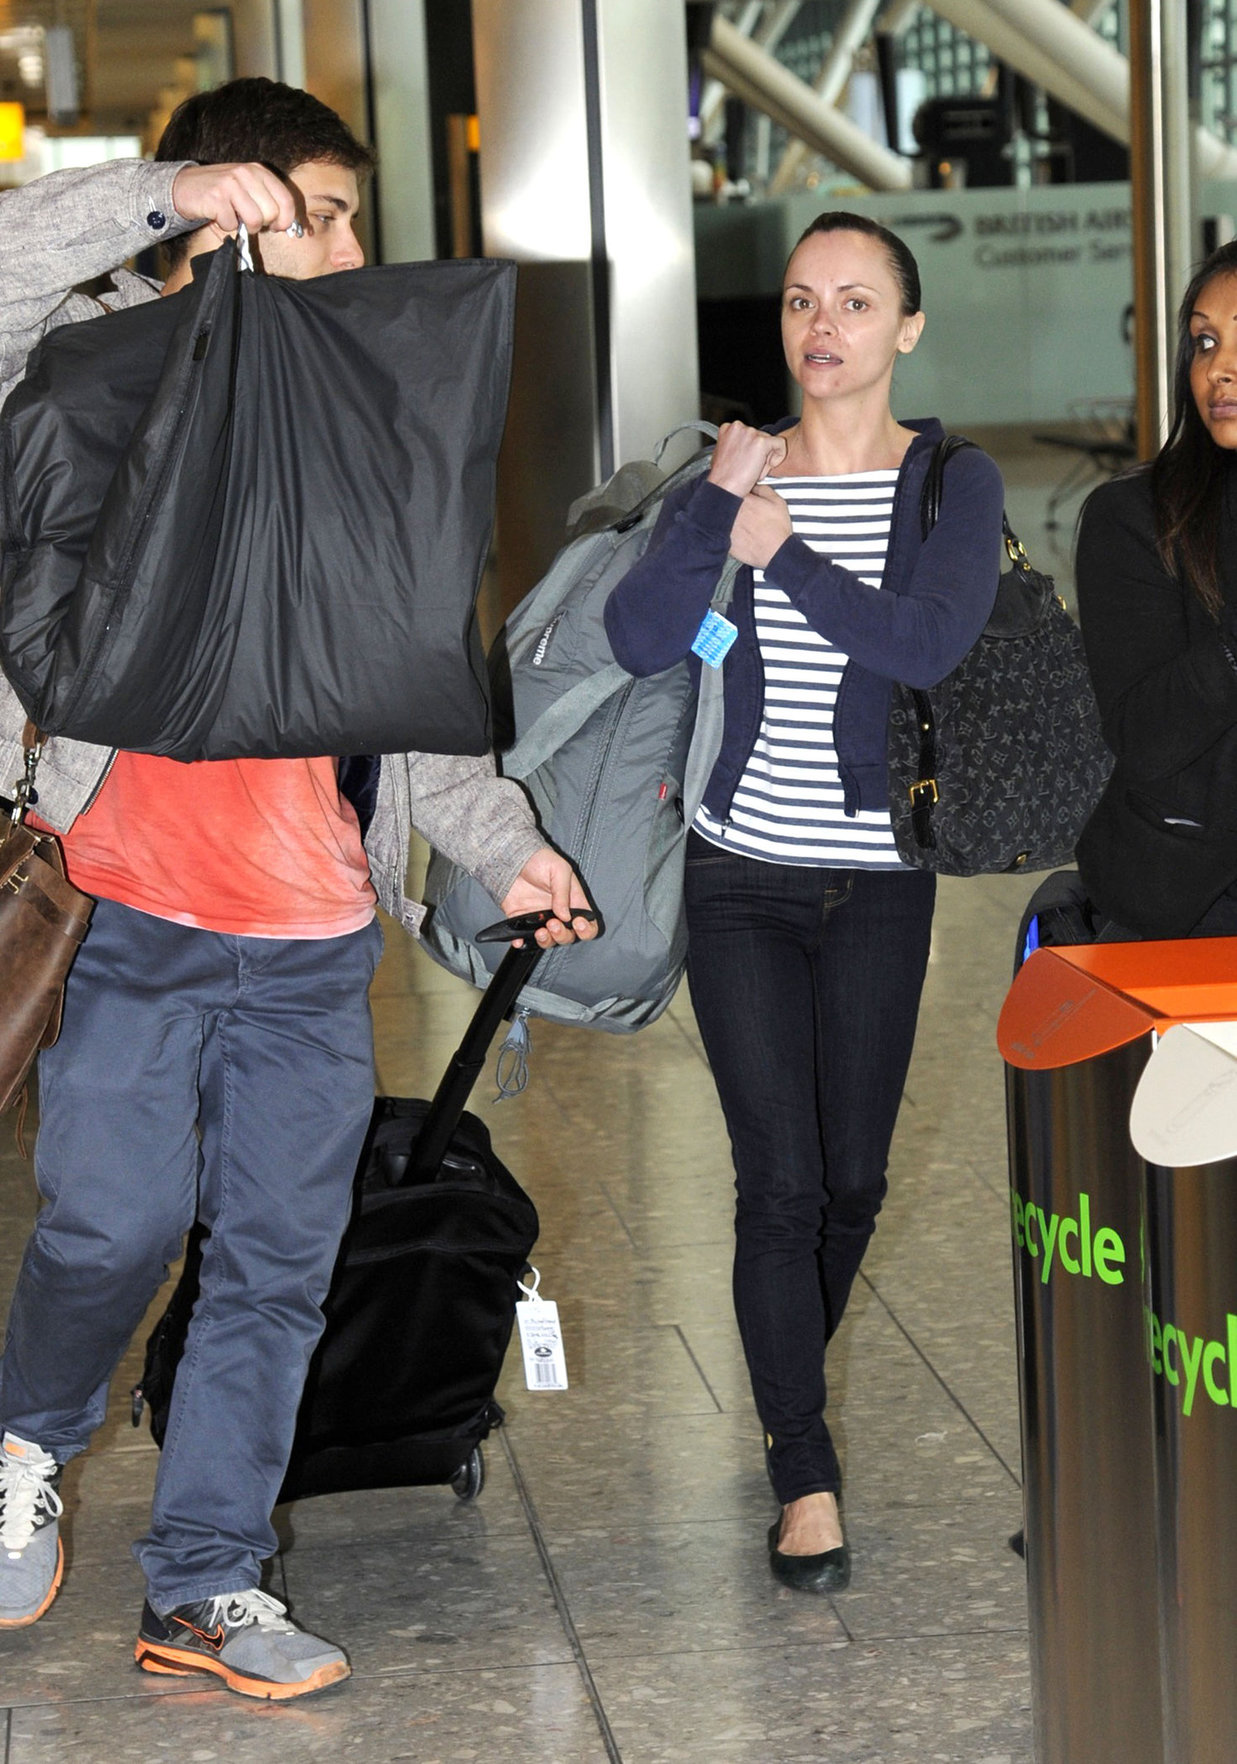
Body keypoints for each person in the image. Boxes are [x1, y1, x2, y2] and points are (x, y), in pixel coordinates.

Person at [0, 79, 594, 1697]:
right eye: (303, 209)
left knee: (273, 1262)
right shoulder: (97, 374)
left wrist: (506, 841)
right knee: (110, 1223)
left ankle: (205, 1577)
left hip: (311, 939)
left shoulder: (360, 422)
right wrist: (163, 200)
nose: (332, 246)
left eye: (340, 216)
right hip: (126, 912)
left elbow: (409, 684)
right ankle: (22, 1442)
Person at [604, 213, 1003, 1591]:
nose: (818, 326)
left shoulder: (953, 481)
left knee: (853, 1181)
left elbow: (926, 640)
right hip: (739, 877)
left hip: (883, 882)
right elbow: (639, 637)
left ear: (906, 328)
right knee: (775, 1182)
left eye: (852, 301)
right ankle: (802, 1466)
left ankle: (785, 1379)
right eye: (795, 301)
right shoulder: (733, 471)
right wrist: (718, 506)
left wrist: (784, 556)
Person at [1075, 238, 1237, 941]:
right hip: (1189, 905)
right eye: (1204, 342)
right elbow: (1141, 735)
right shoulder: (1137, 516)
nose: (1218, 369)